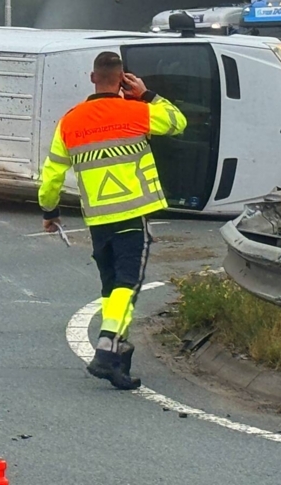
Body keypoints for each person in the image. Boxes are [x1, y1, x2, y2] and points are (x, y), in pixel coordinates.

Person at [39, 52, 186, 390]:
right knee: (127, 284)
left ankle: (118, 357)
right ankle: (107, 348)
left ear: (92, 78)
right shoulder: (137, 111)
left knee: (112, 288)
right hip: (132, 214)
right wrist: (146, 94)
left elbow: (51, 176)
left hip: (98, 220)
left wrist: (50, 212)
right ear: (122, 79)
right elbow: (178, 122)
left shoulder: (70, 121)